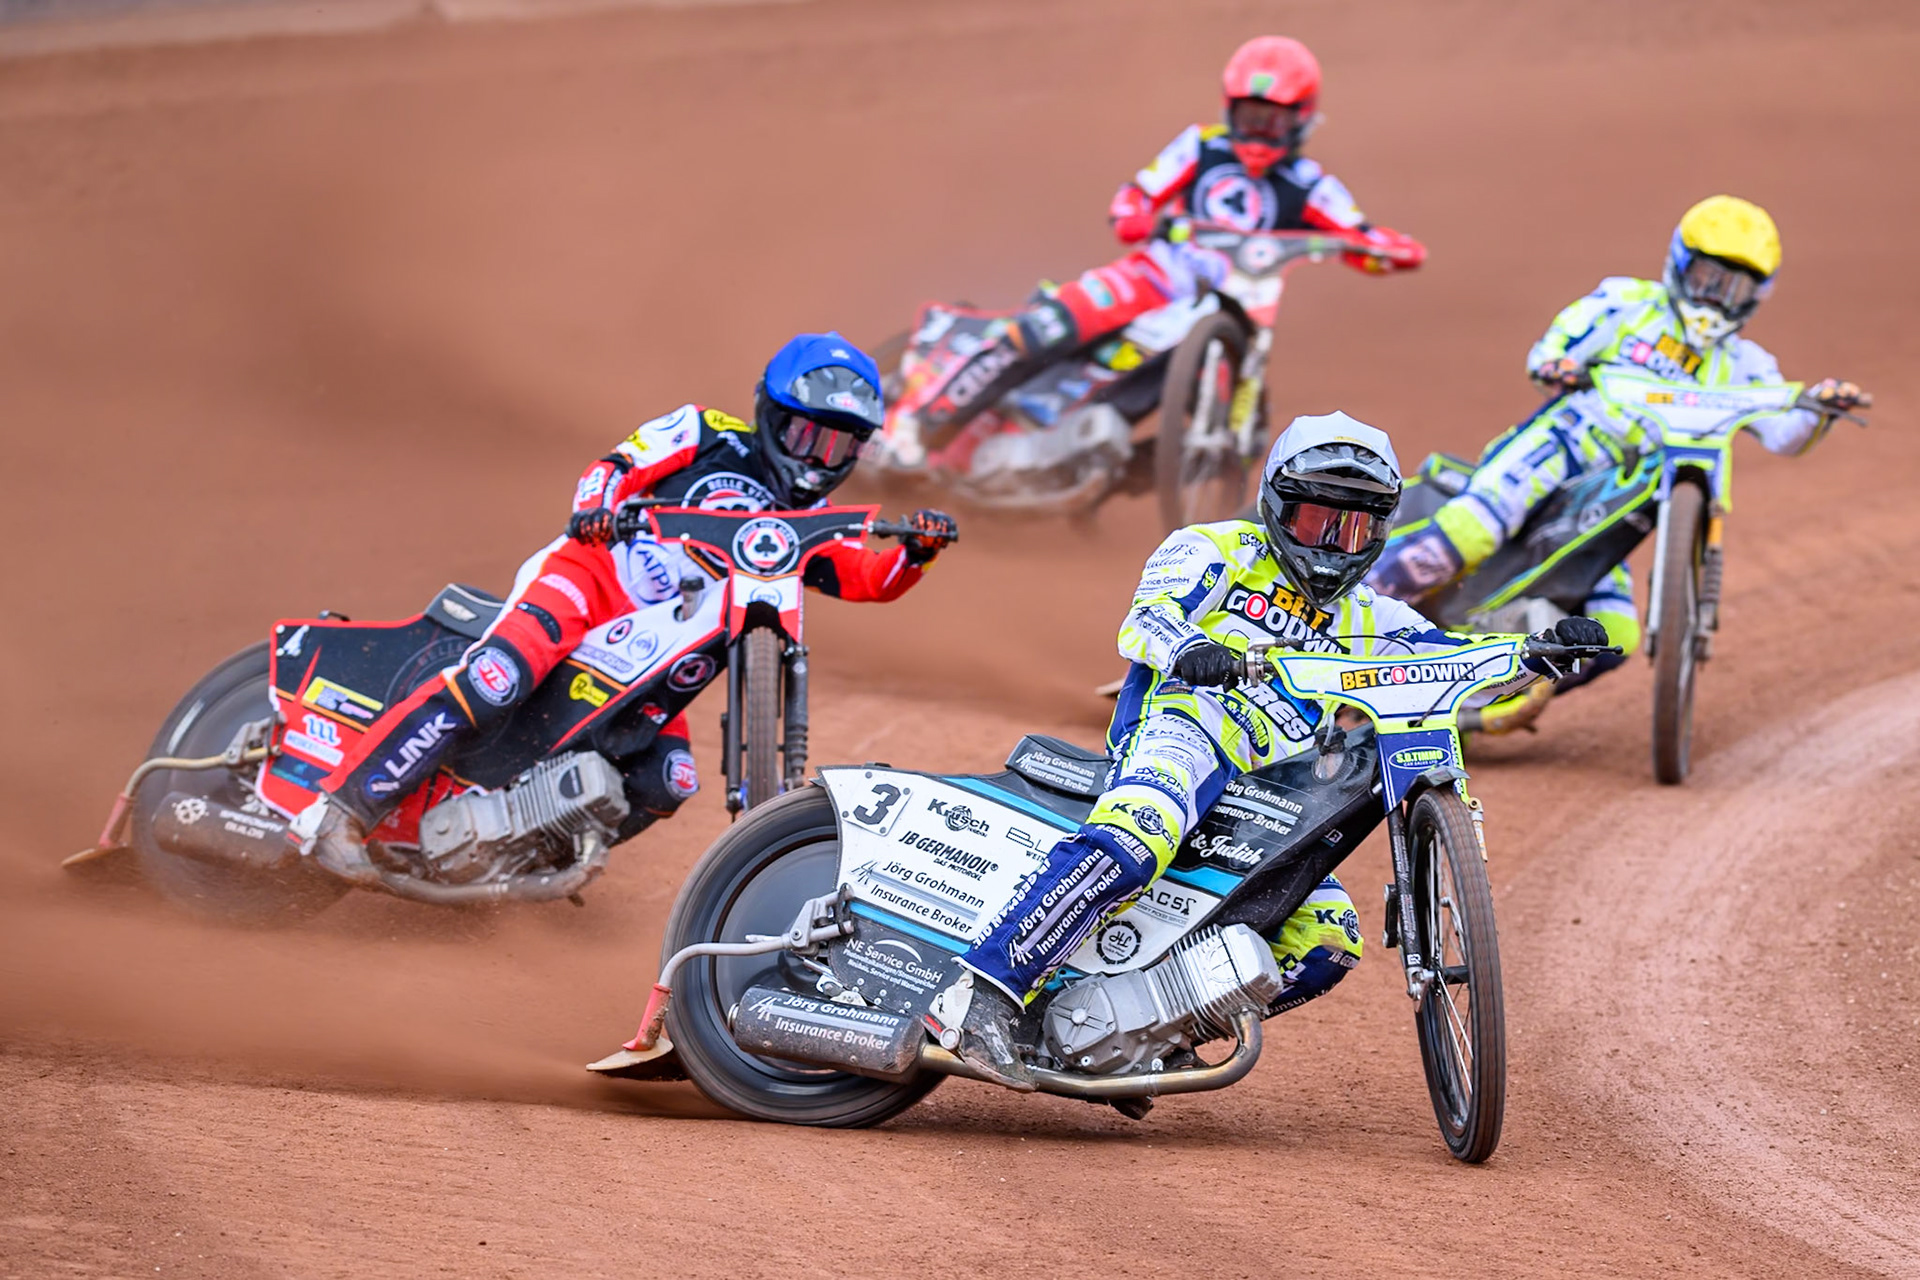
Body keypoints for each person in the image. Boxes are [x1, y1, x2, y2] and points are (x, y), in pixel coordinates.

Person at [926, 412, 1606, 1088]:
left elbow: (1456, 667)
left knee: (1328, 940)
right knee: (1143, 828)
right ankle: (981, 991)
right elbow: (1148, 617)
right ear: (1278, 507)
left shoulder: (1372, 617)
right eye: (1320, 523)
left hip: (1268, 789)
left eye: (1358, 527)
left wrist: (1539, 655)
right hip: (1183, 728)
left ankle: (1147, 1037)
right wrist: (1191, 649)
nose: (1338, 545)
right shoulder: (1213, 548)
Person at [295, 334, 959, 881]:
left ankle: (517, 858)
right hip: (586, 580)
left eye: (840, 446)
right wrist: (597, 507)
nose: (820, 459)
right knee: (498, 677)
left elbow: (865, 577)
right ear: (770, 414)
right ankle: (341, 810)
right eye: (808, 435)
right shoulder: (705, 432)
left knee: (666, 780)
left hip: (653, 644)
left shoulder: (807, 519)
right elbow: (615, 465)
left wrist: (918, 551)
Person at [1368, 195, 1871, 695]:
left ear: (1755, 295)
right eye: (1706, 278)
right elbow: (1556, 345)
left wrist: (1816, 409)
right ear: (1680, 264)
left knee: (1618, 633)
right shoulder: (1627, 303)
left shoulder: (1747, 363)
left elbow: (1785, 435)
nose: (1715, 297)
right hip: (1563, 449)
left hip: (1619, 501)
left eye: (1732, 286)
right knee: (1471, 532)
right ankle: (1354, 630)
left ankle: (1488, 708)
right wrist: (1557, 363)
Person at [882, 35, 1425, 466]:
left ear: (1302, 119)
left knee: (1172, 386)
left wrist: (1389, 250)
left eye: (1274, 119)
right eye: (1250, 115)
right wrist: (1137, 214)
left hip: (1227, 304)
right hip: (1155, 274)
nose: (1259, 129)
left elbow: (1363, 236)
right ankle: (917, 421)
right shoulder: (1200, 145)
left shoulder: (1311, 183)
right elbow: (1136, 195)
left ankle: (1094, 463)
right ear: (1229, 109)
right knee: (1052, 324)